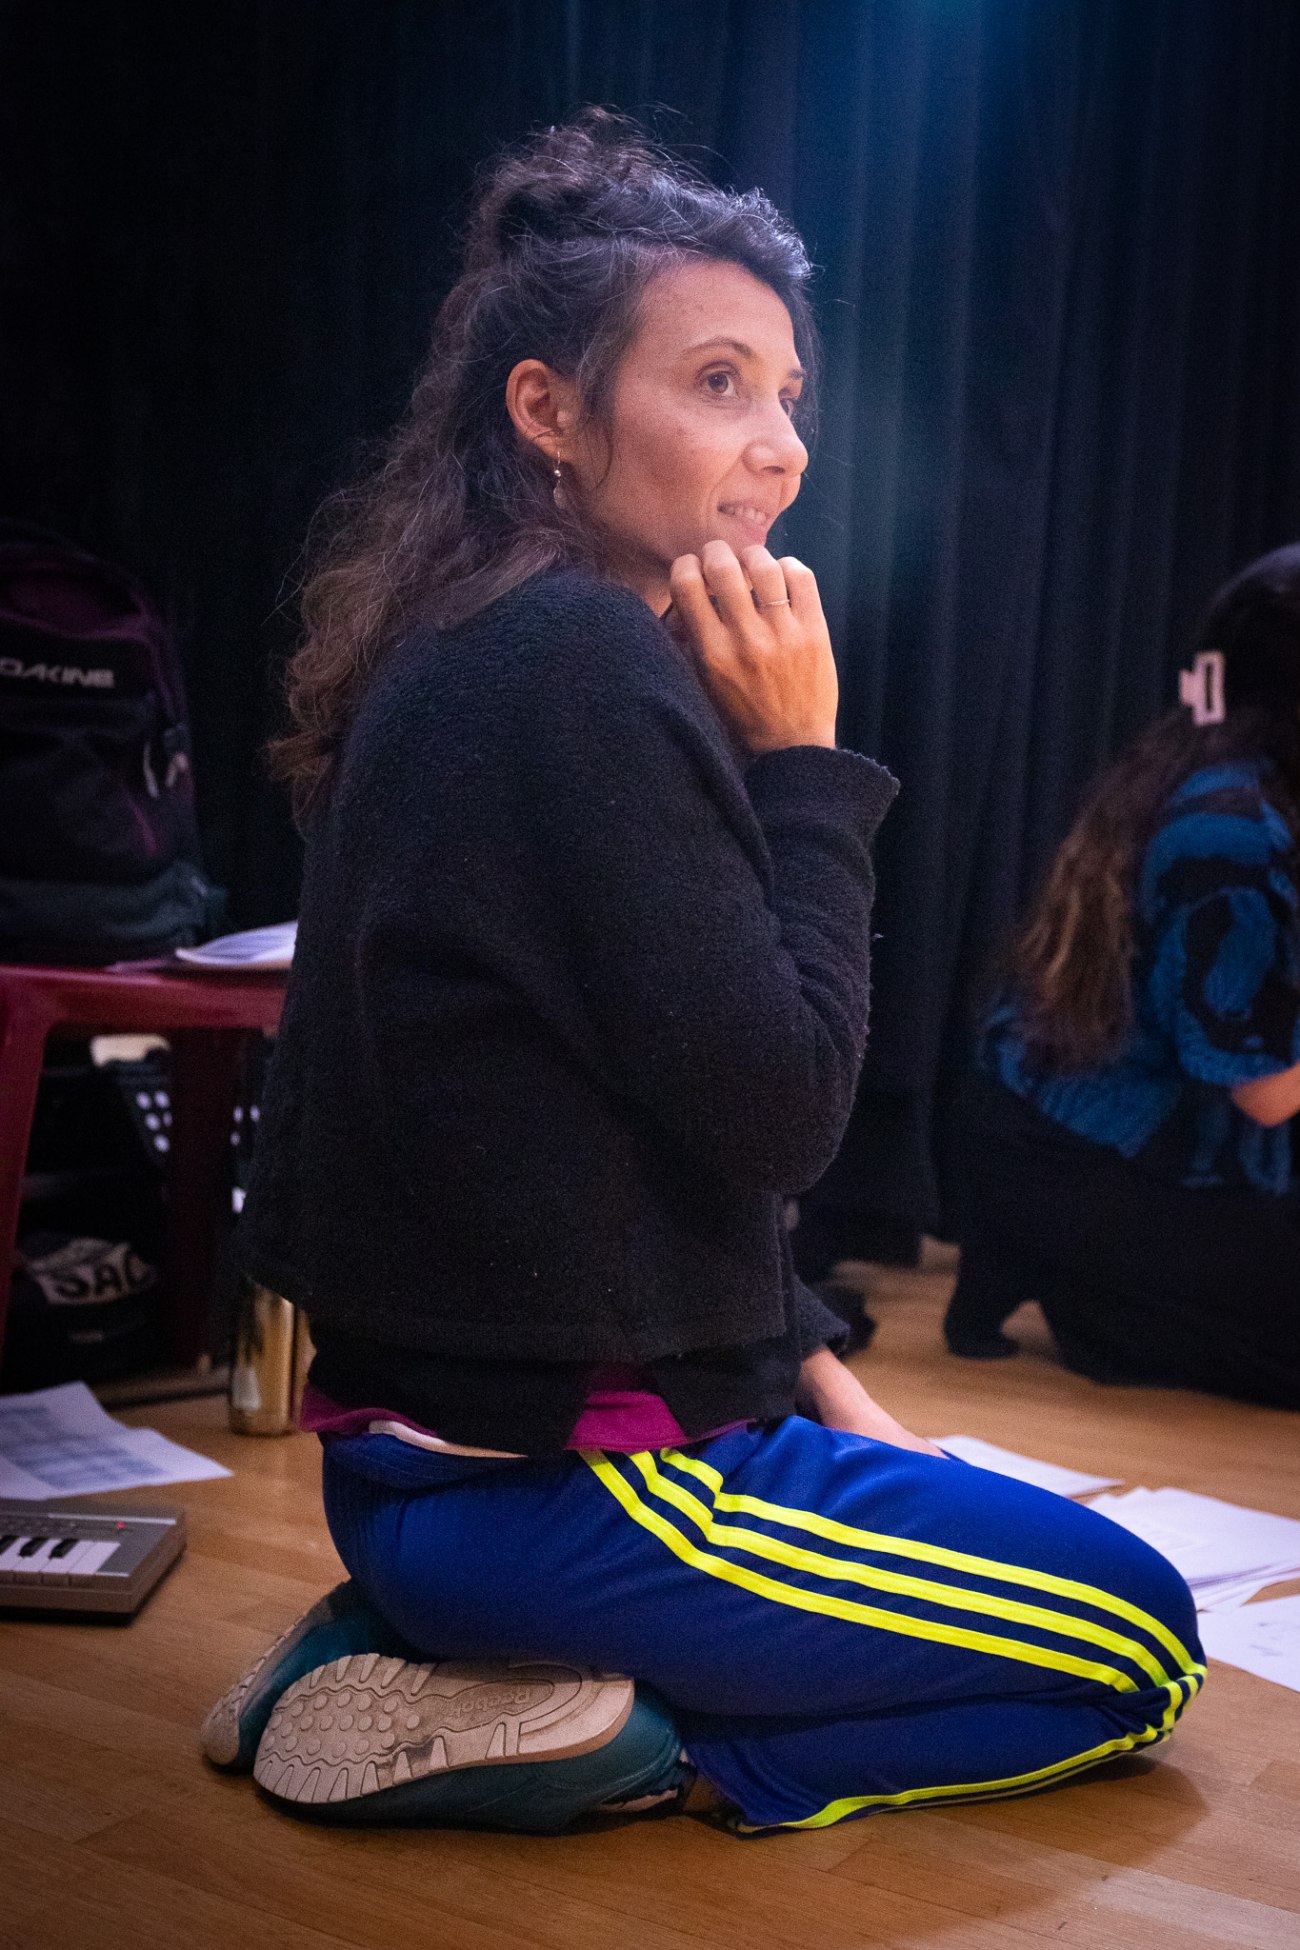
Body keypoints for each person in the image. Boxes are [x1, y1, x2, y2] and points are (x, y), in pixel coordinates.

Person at [201, 113, 1202, 1836]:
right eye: (721, 383)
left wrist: (829, 1379)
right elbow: (787, 1113)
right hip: (577, 1493)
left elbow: (644, 1136)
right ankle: (643, 1744)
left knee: (971, 1535)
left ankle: (414, 1644)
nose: (782, 445)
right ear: (548, 411)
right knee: (1142, 1643)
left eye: (790, 394)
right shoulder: (581, 660)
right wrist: (806, 767)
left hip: (423, 1483)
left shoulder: (488, 630)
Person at [946, 545, 1300, 1409]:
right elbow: (1264, 1089)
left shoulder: (1230, 778)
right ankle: (1088, 1287)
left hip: (1140, 1135)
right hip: (1083, 1154)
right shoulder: (1232, 827)